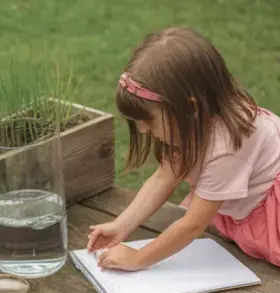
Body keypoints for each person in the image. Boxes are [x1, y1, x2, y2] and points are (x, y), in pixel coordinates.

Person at [87, 27, 280, 271]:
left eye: (149, 121)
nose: (144, 131)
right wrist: (122, 225)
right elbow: (162, 178)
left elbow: (193, 224)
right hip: (247, 206)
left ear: (190, 107)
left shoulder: (228, 145)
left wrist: (139, 258)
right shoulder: (193, 124)